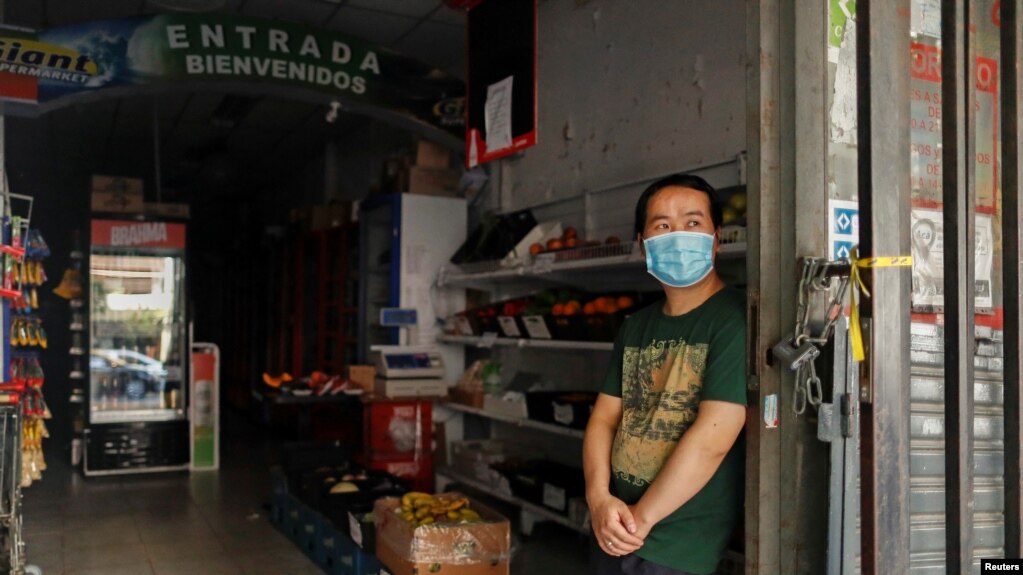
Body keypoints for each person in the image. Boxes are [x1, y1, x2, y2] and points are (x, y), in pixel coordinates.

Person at [583, 174, 747, 575]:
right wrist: (599, 499)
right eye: (662, 225)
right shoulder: (635, 327)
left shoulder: (735, 320)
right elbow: (604, 419)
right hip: (614, 525)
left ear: (716, 237)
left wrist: (640, 519)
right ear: (642, 244)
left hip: (677, 540)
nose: (678, 235)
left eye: (693, 223)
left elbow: (713, 439)